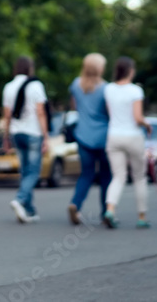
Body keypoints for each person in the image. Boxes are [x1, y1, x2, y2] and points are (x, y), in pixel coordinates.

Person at [102, 56, 152, 229]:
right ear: (130, 71)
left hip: (114, 136)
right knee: (139, 177)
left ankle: (110, 210)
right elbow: (137, 118)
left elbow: (110, 113)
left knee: (118, 176)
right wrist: (147, 124)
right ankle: (142, 216)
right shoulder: (135, 91)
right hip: (132, 136)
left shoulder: (108, 89)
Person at [1, 55, 49, 223]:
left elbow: (7, 115)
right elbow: (41, 112)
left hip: (16, 133)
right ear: (30, 68)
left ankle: (29, 210)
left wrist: (5, 137)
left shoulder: (8, 87)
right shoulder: (36, 85)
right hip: (33, 133)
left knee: (25, 171)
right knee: (34, 172)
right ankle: (20, 199)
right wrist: (46, 135)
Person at [66, 53, 112, 226]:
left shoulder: (76, 85)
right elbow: (109, 112)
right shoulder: (106, 88)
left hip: (82, 136)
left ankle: (75, 204)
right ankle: (106, 211)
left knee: (86, 174)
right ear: (100, 68)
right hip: (103, 137)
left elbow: (74, 108)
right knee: (106, 176)